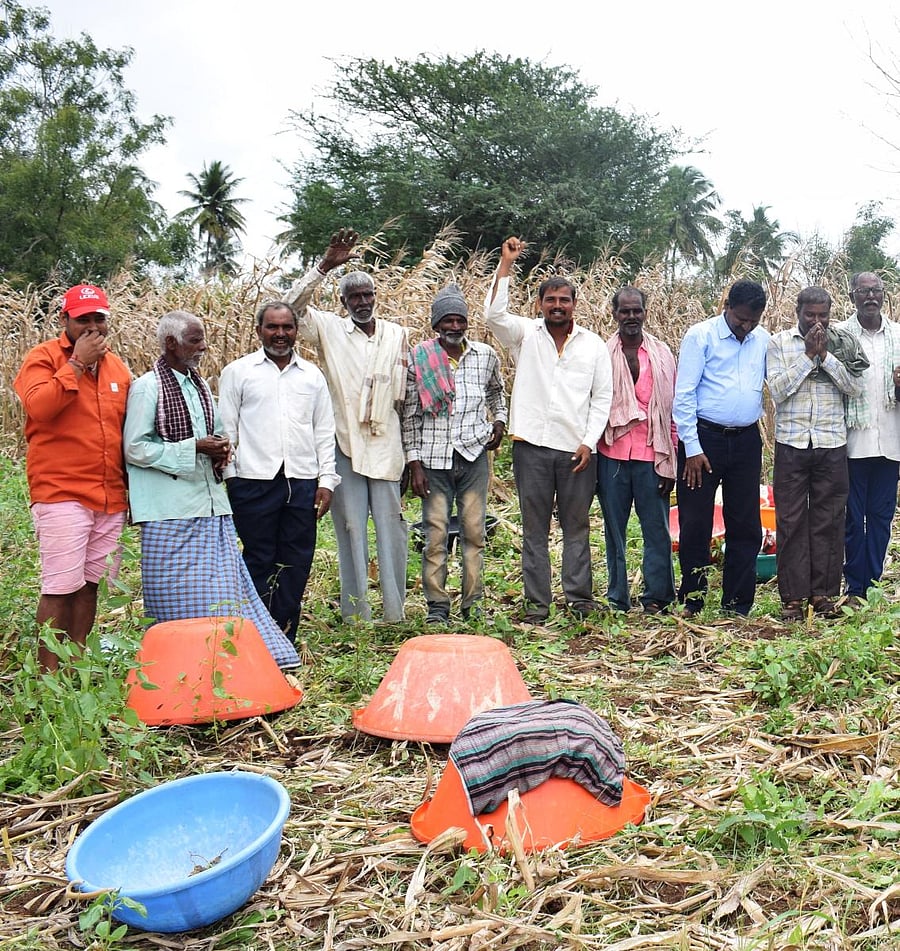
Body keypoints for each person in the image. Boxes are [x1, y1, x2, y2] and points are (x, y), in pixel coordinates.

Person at [123, 310, 298, 669]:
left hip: (210, 507)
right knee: (174, 599)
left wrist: (220, 448)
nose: (204, 347)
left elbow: (217, 433)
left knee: (222, 595)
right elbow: (135, 448)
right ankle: (183, 668)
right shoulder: (148, 387)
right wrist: (194, 449)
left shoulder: (200, 385)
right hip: (168, 512)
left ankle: (234, 666)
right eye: (195, 340)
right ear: (171, 343)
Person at [485, 237, 612, 623]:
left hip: (576, 452)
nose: (558, 306)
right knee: (534, 531)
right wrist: (506, 265)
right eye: (550, 300)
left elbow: (601, 399)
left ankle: (578, 601)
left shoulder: (593, 345)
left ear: (575, 304)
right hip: (532, 448)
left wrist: (589, 442)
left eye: (564, 300)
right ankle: (537, 606)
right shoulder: (525, 335)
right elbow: (492, 316)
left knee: (576, 528)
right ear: (539, 305)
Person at [286, 229, 409, 623]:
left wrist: (414, 456)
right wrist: (324, 266)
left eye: (367, 295)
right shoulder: (329, 329)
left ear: (376, 297)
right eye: (354, 297)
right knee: (352, 528)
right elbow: (288, 309)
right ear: (343, 302)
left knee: (392, 530)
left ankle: (395, 613)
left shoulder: (397, 333)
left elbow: (405, 396)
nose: (362, 302)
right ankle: (357, 616)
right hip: (344, 443)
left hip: (387, 443)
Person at [14, 284, 131, 671]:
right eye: (83, 319)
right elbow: (39, 407)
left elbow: (125, 432)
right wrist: (76, 365)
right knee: (60, 586)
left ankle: (75, 666)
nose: (92, 326)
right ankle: (49, 677)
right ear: (65, 320)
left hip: (109, 494)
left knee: (89, 585)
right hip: (61, 490)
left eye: (99, 318)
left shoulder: (117, 368)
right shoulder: (43, 358)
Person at [218, 300, 340, 643]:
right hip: (253, 482)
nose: (280, 334)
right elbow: (227, 430)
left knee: (296, 561)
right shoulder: (238, 372)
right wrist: (233, 479)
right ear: (259, 331)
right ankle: (255, 638)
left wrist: (326, 481)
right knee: (258, 559)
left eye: (287, 327)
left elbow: (323, 431)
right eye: (273, 327)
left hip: (302, 482)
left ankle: (284, 635)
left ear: (296, 331)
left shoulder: (312, 376)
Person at [401, 283, 508, 623]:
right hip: (433, 462)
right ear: (436, 325)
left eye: (459, 320)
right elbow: (410, 416)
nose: (455, 327)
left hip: (473, 456)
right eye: (447, 320)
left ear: (466, 323)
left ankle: (472, 604)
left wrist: (500, 422)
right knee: (435, 535)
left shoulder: (484, 356)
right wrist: (414, 463)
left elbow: (497, 393)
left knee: (474, 532)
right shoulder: (421, 359)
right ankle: (437, 606)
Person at [767, 287, 868, 620]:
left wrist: (825, 357)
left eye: (822, 315)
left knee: (829, 520)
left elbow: (854, 388)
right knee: (791, 520)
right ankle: (793, 600)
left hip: (831, 444)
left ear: (830, 313)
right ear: (797, 311)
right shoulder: (779, 343)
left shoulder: (839, 343)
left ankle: (823, 596)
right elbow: (778, 391)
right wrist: (808, 356)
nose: (816, 321)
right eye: (810, 314)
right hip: (791, 444)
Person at [673, 280, 768, 616]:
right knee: (696, 521)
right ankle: (693, 598)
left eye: (753, 322)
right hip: (704, 439)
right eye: (741, 320)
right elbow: (684, 394)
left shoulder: (763, 340)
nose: (746, 327)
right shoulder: (701, 336)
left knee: (745, 522)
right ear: (727, 307)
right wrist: (693, 447)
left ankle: (737, 604)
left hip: (745, 439)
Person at [598, 286, 677, 614]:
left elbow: (671, 410)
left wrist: (670, 459)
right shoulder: (601, 354)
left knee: (656, 529)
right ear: (614, 314)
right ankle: (617, 597)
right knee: (613, 530)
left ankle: (656, 597)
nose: (631, 317)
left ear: (646, 312)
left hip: (651, 454)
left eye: (637, 311)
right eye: (624, 311)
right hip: (612, 453)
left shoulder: (661, 354)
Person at [837, 272, 900, 600]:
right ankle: (854, 586)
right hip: (852, 443)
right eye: (864, 292)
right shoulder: (842, 334)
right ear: (853, 297)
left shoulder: (899, 335)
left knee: (881, 517)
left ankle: (872, 586)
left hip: (891, 442)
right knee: (852, 518)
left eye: (876, 291)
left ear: (884, 294)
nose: (871, 297)